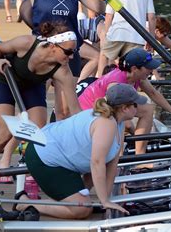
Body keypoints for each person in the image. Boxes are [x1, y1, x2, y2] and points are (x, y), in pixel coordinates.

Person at [0, 22, 81, 205]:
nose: (71, 57)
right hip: (5, 79)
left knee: (39, 134)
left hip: (32, 86)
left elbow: (75, 110)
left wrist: (90, 126)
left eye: (74, 52)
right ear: (53, 45)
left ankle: (32, 179)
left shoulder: (63, 71)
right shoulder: (26, 43)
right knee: (4, 133)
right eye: (68, 52)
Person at [14, 83, 141, 219]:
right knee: (82, 210)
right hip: (42, 157)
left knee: (87, 196)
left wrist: (106, 200)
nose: (138, 107)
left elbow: (112, 163)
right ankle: (24, 203)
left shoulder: (118, 122)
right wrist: (103, 199)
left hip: (61, 156)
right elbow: (97, 162)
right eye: (135, 104)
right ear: (124, 108)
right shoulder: (106, 123)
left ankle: (73, 198)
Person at [78, 48, 171, 155]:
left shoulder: (138, 76)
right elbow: (124, 121)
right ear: (135, 68)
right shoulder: (116, 84)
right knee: (122, 121)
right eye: (148, 67)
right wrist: (136, 134)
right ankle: (119, 159)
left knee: (148, 109)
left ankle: (139, 156)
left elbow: (153, 93)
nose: (151, 70)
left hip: (105, 108)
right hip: (88, 114)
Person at [99, 0, 156, 76]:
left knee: (105, 57)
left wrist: (105, 34)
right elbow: (152, 18)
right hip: (137, 36)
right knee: (132, 68)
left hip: (117, 34)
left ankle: (100, 80)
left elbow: (109, 16)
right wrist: (151, 39)